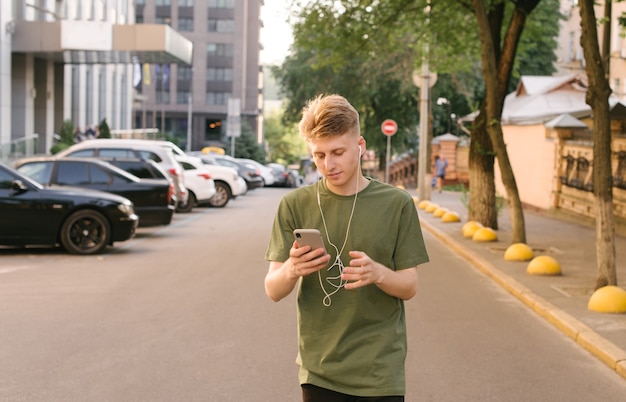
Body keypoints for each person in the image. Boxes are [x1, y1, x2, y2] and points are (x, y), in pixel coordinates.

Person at [264, 94, 430, 401]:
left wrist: (378, 273)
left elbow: (409, 286)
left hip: (380, 371)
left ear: (360, 146)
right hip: (319, 370)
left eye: (338, 152)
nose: (329, 165)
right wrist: (292, 268)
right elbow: (273, 289)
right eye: (319, 155)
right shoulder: (294, 204)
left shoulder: (397, 204)